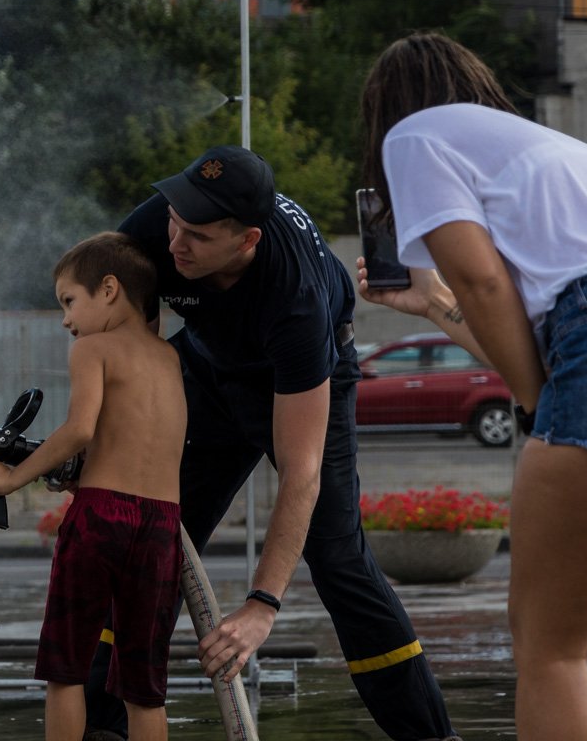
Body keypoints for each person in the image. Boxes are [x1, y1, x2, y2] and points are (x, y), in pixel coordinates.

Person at [356, 31, 587, 739]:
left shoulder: (412, 135)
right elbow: (530, 314)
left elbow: (483, 280)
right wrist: (430, 306)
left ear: (386, 107)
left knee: (550, 649)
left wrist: (543, 410)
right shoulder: (553, 153)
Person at [89, 145, 461, 740]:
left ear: (247, 241)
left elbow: (301, 471)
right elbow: (125, 339)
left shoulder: (295, 303)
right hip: (207, 369)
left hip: (297, 379)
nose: (176, 243)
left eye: (199, 236)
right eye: (174, 223)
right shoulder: (154, 227)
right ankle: (101, 728)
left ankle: (429, 736)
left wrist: (262, 605)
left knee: (339, 562)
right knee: (148, 540)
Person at [0, 231, 188, 741]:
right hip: (162, 526)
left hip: (101, 518)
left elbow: (80, 429)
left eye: (69, 301)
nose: (66, 319)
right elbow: (129, 440)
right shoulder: (170, 358)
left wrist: (10, 479)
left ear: (108, 289)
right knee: (144, 687)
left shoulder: (93, 349)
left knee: (66, 669)